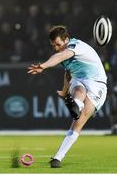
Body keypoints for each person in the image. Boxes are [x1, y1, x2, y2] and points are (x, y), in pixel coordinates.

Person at [27, 25, 107, 168]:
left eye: (58, 44)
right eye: (53, 45)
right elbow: (68, 74)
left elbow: (60, 56)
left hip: (97, 84)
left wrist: (44, 66)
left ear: (67, 40)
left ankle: (76, 106)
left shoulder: (75, 46)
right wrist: (64, 92)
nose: (56, 48)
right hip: (79, 80)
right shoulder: (64, 50)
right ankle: (57, 159)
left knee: (79, 121)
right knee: (78, 90)